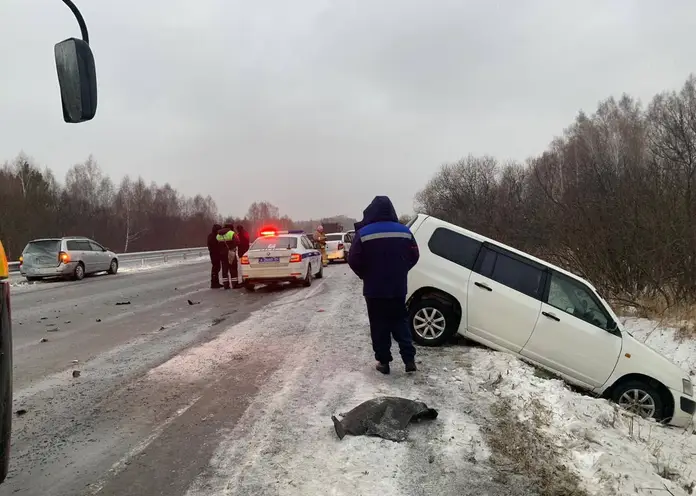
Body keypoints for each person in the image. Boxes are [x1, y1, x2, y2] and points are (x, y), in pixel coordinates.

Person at [348, 196, 420, 375]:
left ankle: (384, 362)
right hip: (397, 287)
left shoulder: (364, 233)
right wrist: (402, 270)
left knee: (379, 324)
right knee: (400, 321)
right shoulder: (404, 231)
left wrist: (365, 274)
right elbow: (415, 255)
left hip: (374, 289)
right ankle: (409, 359)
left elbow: (353, 259)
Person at [216, 224, 239, 289]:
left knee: (224, 269)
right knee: (233, 268)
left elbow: (217, 243)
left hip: (222, 254)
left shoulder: (218, 235)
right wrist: (232, 246)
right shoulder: (231, 233)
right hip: (231, 252)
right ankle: (234, 284)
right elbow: (237, 241)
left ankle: (226, 285)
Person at [207, 223, 222, 289]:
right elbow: (216, 246)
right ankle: (214, 283)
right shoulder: (215, 236)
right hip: (215, 254)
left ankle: (215, 282)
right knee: (216, 268)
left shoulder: (210, 235)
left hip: (213, 254)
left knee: (215, 268)